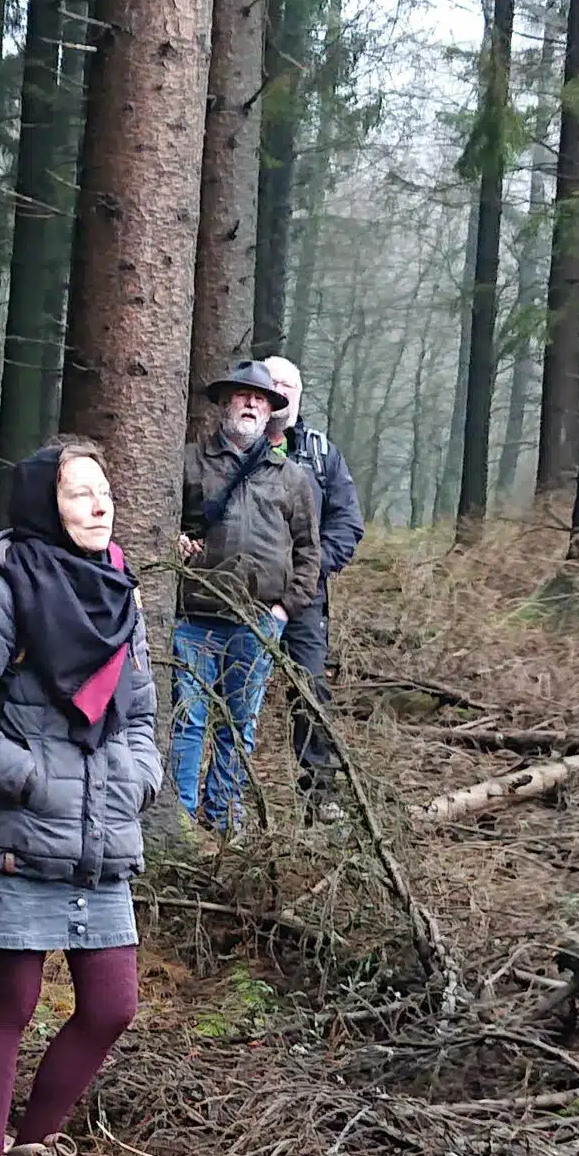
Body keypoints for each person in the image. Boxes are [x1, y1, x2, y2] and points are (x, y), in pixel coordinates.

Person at [0, 442, 157, 1156]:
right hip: (19, 834)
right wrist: (28, 777)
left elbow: (144, 714)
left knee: (112, 1004)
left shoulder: (121, 592)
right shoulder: (1, 588)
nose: (97, 505)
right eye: (78, 494)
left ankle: (36, 1148)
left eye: (102, 491)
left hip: (101, 835)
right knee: (12, 1002)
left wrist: (139, 781)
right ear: (41, 507)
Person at [172, 360, 319, 833]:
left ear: (272, 410)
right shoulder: (189, 461)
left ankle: (224, 818)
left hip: (257, 622)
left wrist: (284, 609)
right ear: (224, 403)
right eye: (242, 395)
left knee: (239, 725)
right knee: (188, 720)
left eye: (261, 398)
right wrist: (174, 541)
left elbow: (308, 550)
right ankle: (181, 818)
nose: (252, 403)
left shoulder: (292, 477)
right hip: (193, 616)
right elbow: (162, 523)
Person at [262, 355, 365, 820]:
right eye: (274, 383)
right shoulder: (238, 444)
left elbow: (347, 521)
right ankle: (218, 799)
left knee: (309, 688)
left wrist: (312, 569)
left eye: (291, 385)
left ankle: (318, 794)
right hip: (242, 592)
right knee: (233, 690)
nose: (283, 392)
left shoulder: (322, 454)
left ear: (300, 395)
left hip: (304, 597)